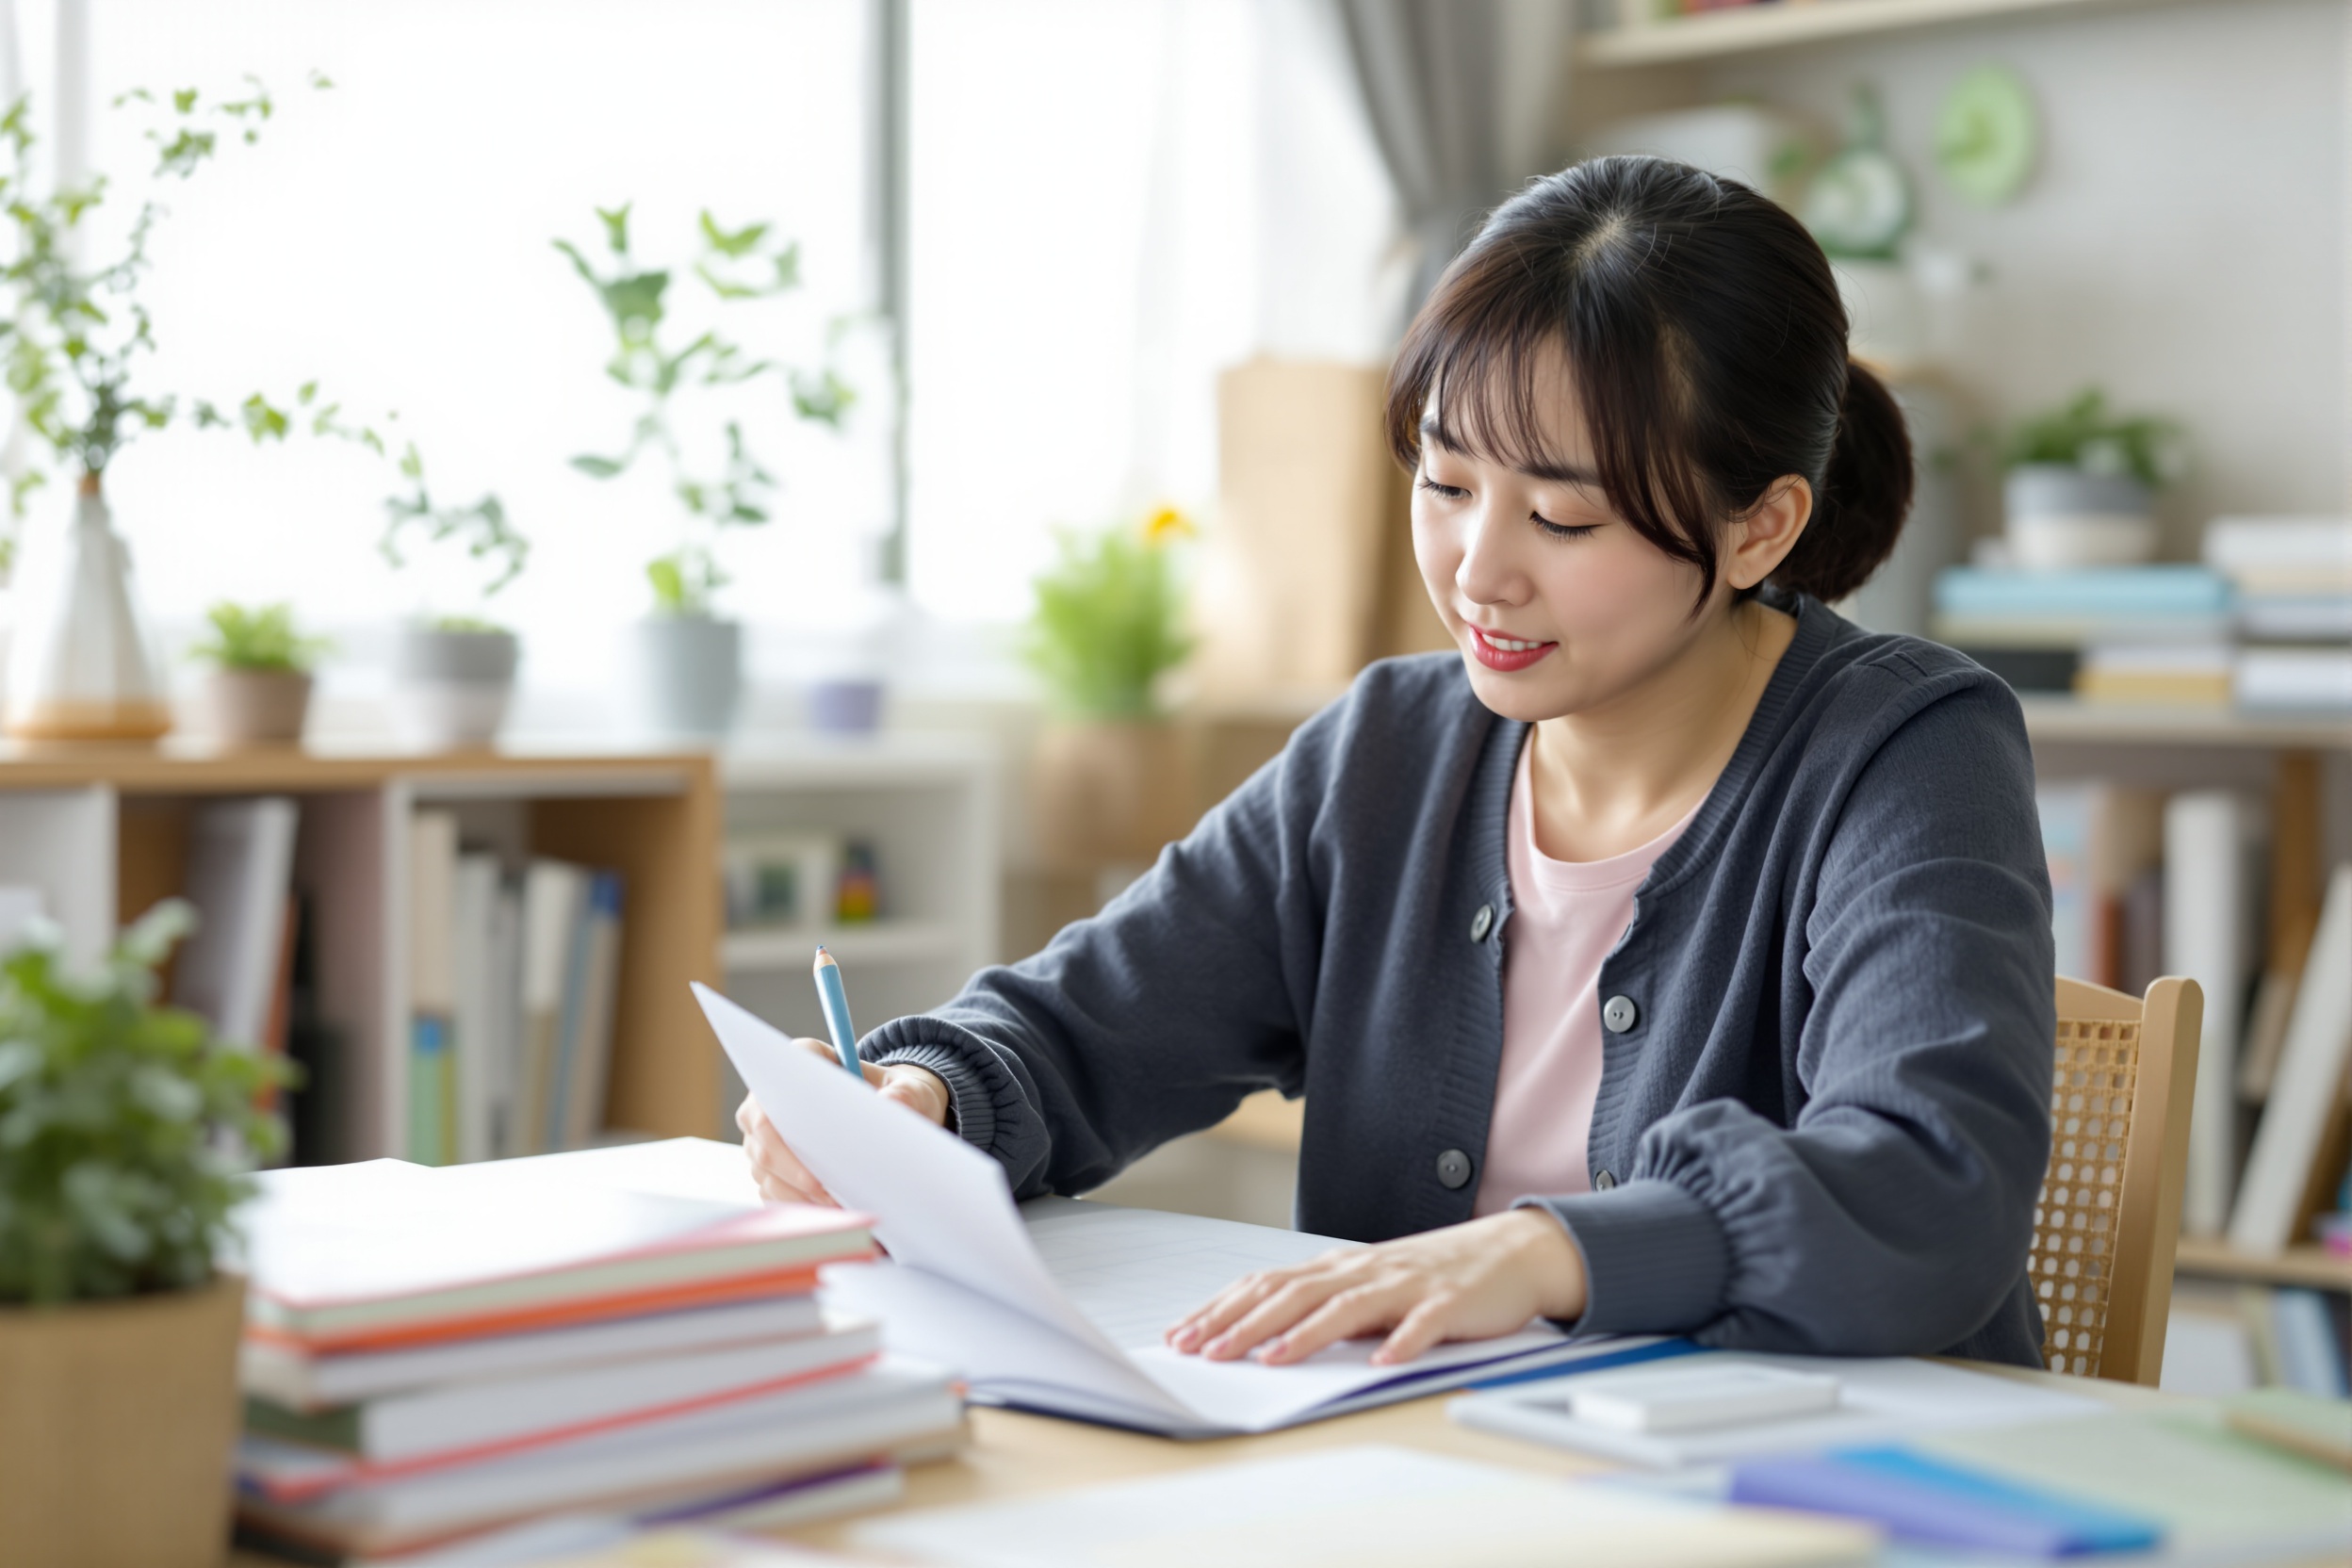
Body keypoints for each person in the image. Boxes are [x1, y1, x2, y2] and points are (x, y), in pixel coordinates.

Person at [739, 155, 2055, 1373]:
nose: (1481, 570)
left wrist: (1551, 1254)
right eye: (1444, 482)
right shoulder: (1390, 750)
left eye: (1562, 515)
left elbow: (1933, 1183)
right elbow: (1083, 1029)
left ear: (1762, 528)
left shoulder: (1905, 749)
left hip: (1799, 1492)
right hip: (1427, 1463)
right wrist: (922, 1098)